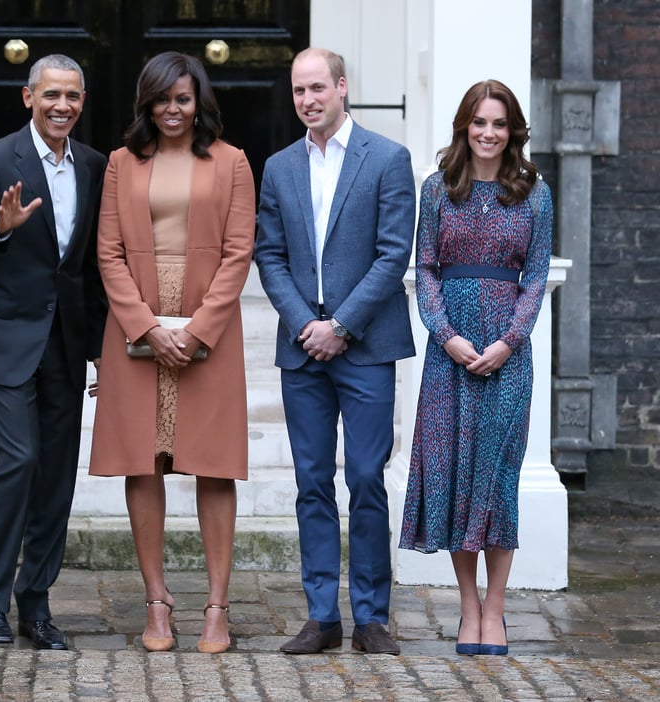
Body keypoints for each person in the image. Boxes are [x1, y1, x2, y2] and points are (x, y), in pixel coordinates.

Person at [89, 51, 255, 655]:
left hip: (209, 326)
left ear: (198, 100)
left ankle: (217, 607)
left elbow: (239, 253)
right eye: (161, 99)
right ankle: (157, 603)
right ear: (146, 104)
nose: (172, 109)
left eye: (182, 98)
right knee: (144, 461)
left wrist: (199, 329)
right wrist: (146, 326)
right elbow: (108, 251)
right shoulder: (120, 163)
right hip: (136, 324)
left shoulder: (233, 162)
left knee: (213, 464)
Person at [254, 48, 416, 656]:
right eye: (299, 91)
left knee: (367, 478)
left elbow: (392, 253)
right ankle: (321, 615)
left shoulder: (388, 159)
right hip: (303, 351)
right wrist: (306, 323)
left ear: (343, 87)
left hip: (367, 347)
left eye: (317, 87)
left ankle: (372, 615)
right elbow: (268, 254)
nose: (308, 100)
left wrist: (342, 325)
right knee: (311, 480)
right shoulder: (278, 167)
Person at [0, 54, 107, 651]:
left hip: (67, 343)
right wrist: (2, 224)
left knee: (55, 480)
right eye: (50, 95)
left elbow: (91, 267)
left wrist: (100, 352)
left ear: (81, 101)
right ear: (28, 97)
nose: (61, 105)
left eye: (71, 96)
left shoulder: (94, 166)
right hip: (7, 337)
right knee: (18, 462)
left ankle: (34, 604)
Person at [399, 80, 553, 657]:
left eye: (499, 123)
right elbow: (427, 270)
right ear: (465, 126)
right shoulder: (438, 189)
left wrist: (511, 340)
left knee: (496, 481)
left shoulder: (535, 192)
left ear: (513, 130)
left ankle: (496, 609)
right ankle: (468, 608)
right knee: (455, 479)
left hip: (509, 359)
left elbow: (536, 276)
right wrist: (448, 337)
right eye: (479, 122)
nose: (489, 133)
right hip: (450, 357)